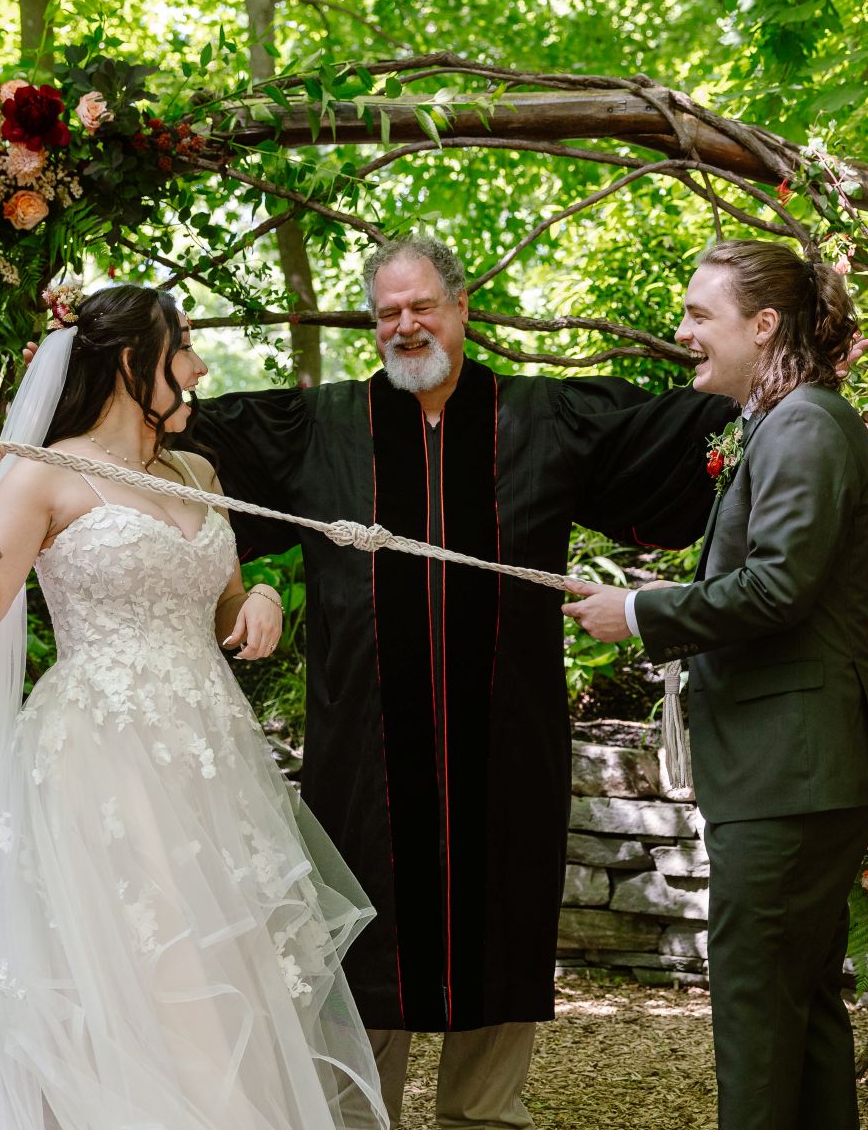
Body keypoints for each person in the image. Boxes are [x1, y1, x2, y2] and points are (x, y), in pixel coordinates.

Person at [184, 234, 740, 1127]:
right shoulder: (321, 426)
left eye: (422, 306)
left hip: (505, 738)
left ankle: (485, 1117)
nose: (406, 326)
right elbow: (177, 456)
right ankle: (357, 1116)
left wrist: (781, 387)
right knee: (363, 925)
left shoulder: (543, 419)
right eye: (387, 313)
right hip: (363, 748)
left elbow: (684, 438)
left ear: (462, 305)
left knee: (502, 916)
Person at [0, 284, 386, 1130]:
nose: (201, 367)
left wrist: (268, 601)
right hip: (106, 756)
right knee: (164, 975)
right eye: (184, 350)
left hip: (210, 756)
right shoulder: (45, 475)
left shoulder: (199, 473)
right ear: (136, 362)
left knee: (234, 973)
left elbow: (222, 603)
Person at [563, 238, 868, 1130]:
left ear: (765, 325)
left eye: (699, 316)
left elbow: (779, 587)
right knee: (801, 999)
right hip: (793, 766)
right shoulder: (790, 422)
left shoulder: (806, 427)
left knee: (754, 996)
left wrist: (641, 611)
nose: (684, 333)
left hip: (794, 768)